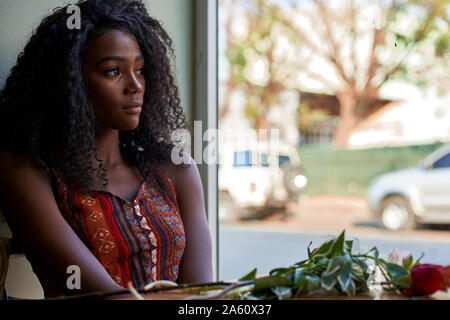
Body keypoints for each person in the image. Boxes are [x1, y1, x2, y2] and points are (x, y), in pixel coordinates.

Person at [0, 0, 213, 298]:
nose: (136, 85)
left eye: (140, 69)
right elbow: (108, 298)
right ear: (69, 81)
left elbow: (202, 294)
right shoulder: (27, 170)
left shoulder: (176, 169)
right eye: (113, 71)